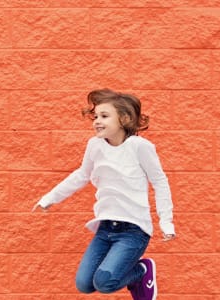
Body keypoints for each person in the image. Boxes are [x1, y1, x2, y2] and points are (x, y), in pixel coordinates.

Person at [32, 88, 176, 300]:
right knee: (84, 284)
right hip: (106, 227)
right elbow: (82, 175)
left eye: (104, 116)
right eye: (96, 116)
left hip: (133, 230)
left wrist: (166, 222)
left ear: (124, 119)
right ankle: (133, 276)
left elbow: (159, 181)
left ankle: (141, 272)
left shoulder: (139, 147)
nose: (96, 121)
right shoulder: (95, 145)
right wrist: (49, 199)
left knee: (105, 282)